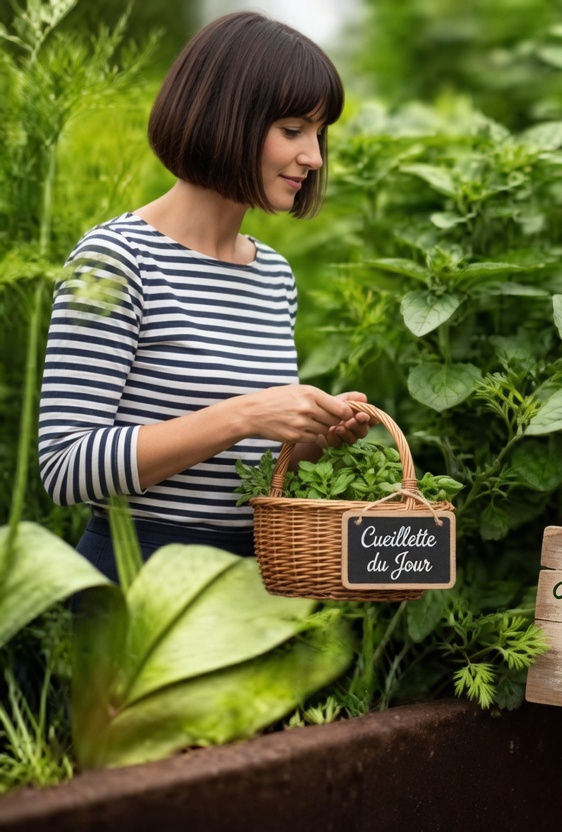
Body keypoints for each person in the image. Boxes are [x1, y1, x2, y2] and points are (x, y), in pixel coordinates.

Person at [37, 12, 371, 581]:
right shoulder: (117, 259)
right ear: (227, 120)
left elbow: (242, 467)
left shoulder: (273, 275)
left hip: (250, 585)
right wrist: (246, 414)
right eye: (292, 130)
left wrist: (313, 435)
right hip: (140, 580)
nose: (314, 157)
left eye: (318, 134)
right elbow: (66, 467)